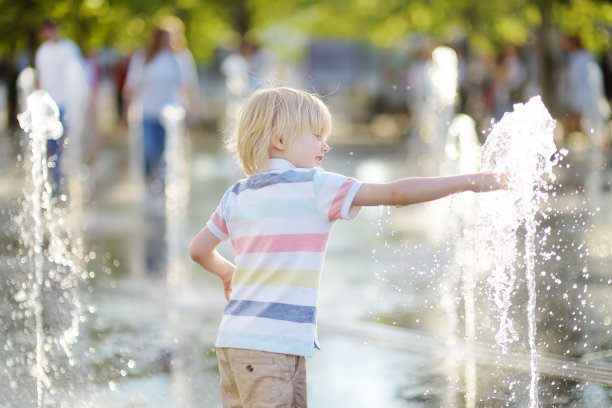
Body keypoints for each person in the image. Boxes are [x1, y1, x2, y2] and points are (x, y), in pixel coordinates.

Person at [189, 87, 506, 407]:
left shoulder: (238, 194)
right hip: (273, 348)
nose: (325, 145)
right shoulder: (315, 185)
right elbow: (396, 194)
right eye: (316, 135)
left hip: (234, 342)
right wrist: (468, 182)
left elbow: (199, 250)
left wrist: (228, 273)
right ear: (280, 140)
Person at [123, 25, 185, 193]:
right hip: (148, 113)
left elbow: (183, 86)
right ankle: (150, 186)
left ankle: (162, 190)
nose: (167, 41)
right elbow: (132, 87)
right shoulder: (143, 58)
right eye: (164, 37)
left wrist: (188, 112)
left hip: (169, 115)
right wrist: (126, 112)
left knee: (166, 155)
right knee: (149, 153)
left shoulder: (176, 58)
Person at [35, 19, 86, 194]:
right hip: (47, 105)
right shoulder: (42, 52)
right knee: (51, 145)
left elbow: (79, 76)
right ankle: (54, 179)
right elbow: (40, 79)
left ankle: (58, 178)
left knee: (60, 143)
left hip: (65, 103)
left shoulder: (69, 48)